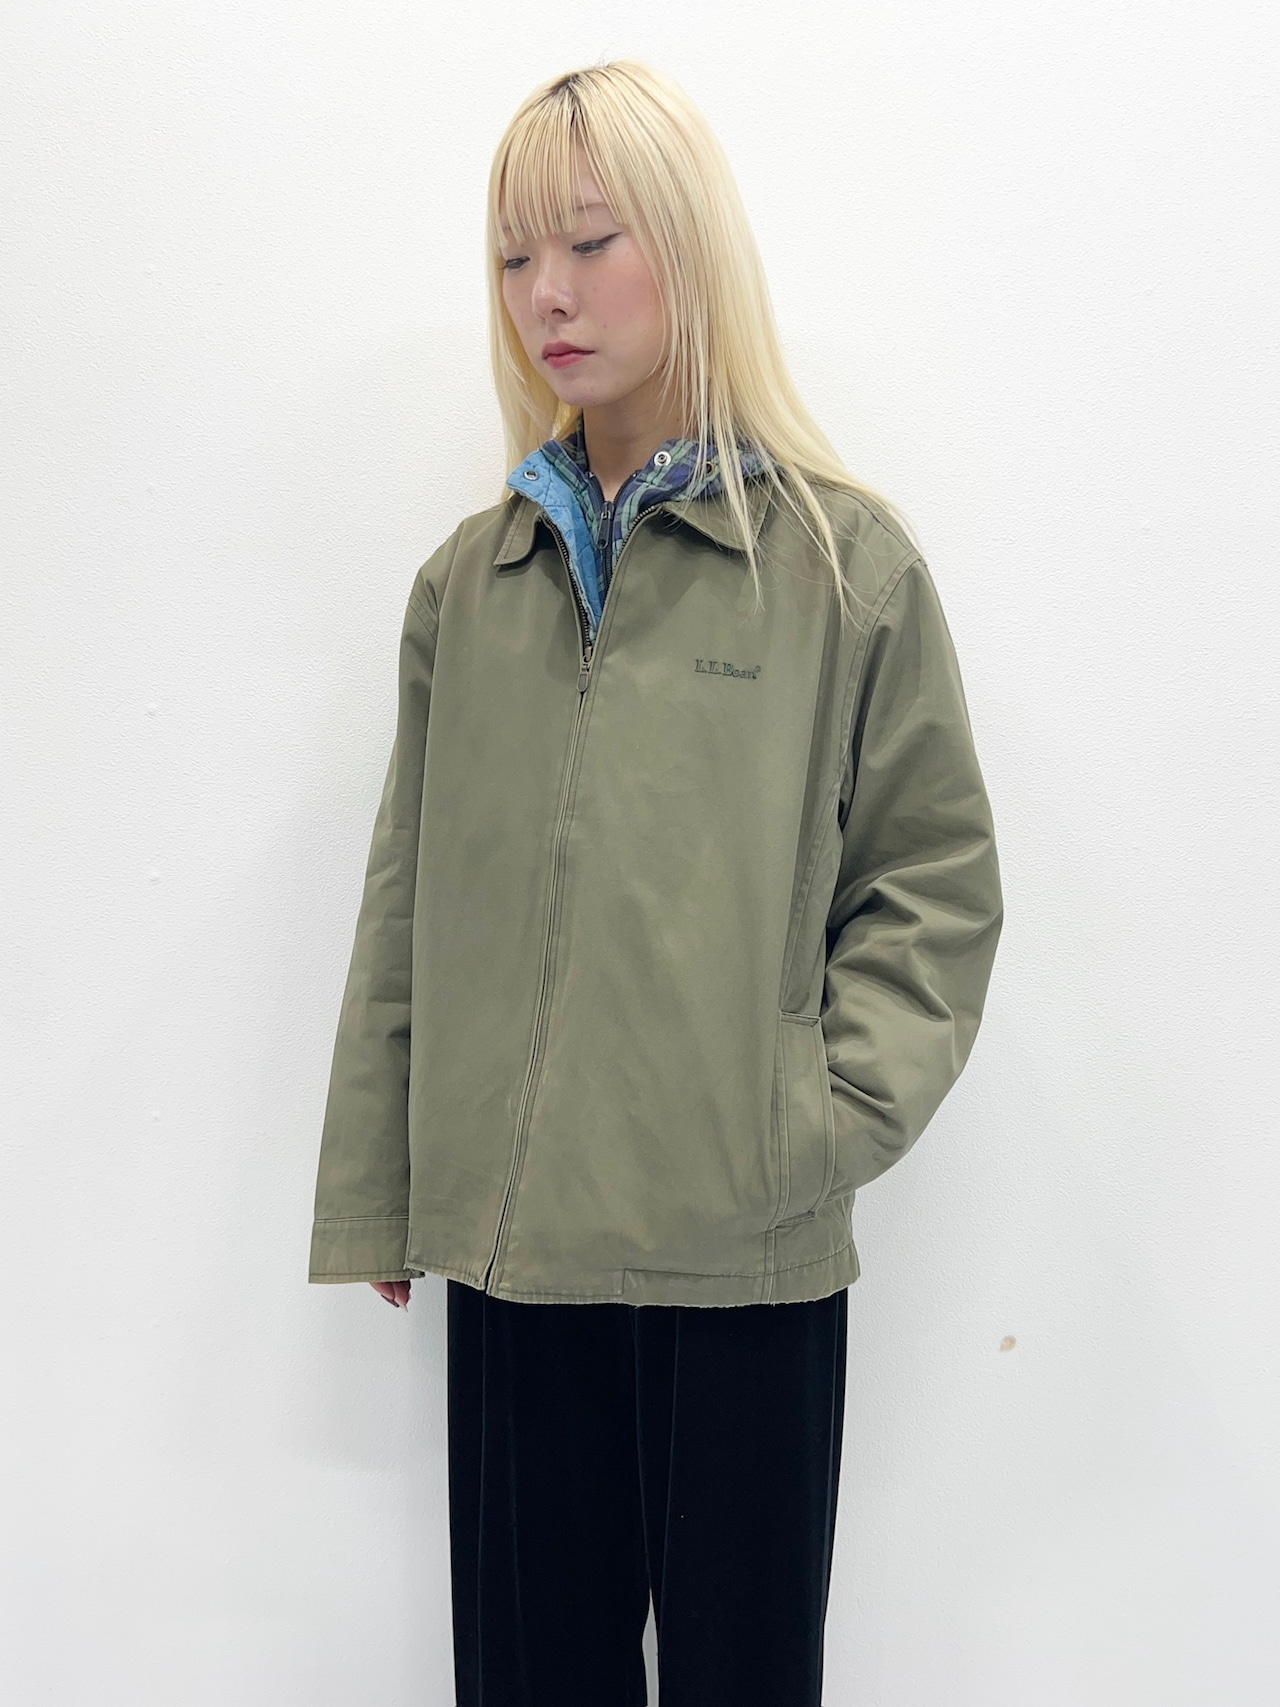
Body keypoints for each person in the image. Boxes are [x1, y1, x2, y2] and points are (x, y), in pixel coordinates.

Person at [308, 57, 1003, 1707]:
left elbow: (934, 887)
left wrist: (803, 1124)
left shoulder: (840, 571)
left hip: (740, 1256)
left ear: (688, 246)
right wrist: (382, 1181)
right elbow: (409, 898)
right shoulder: (469, 587)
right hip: (517, 1249)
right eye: (512, 257)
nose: (544, 295)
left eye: (589, 242)